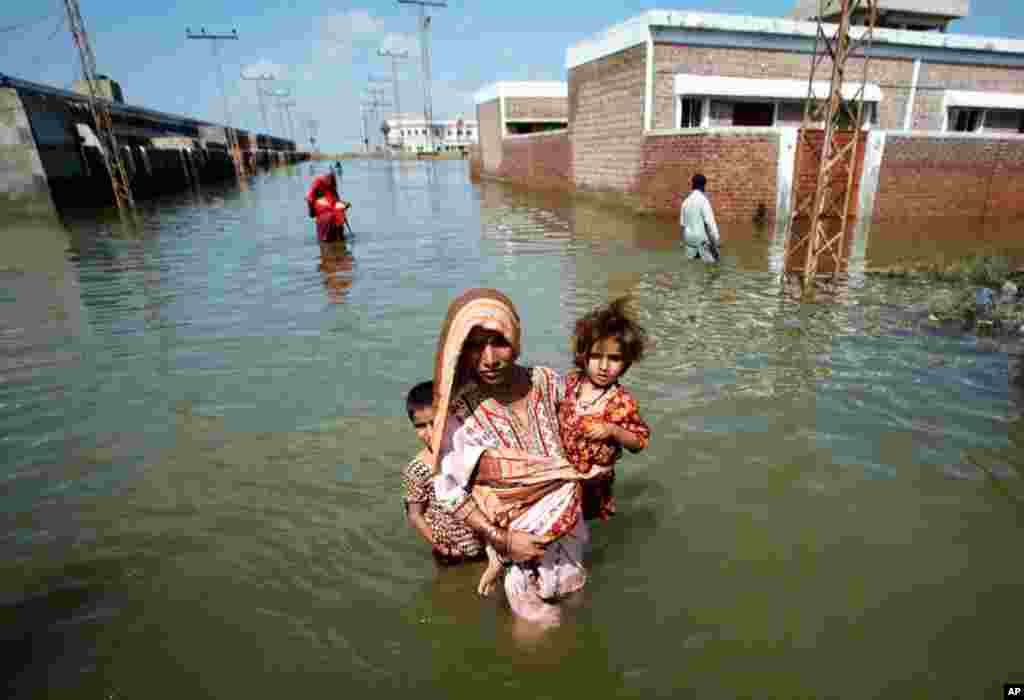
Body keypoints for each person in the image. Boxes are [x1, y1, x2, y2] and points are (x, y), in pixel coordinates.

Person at [430, 288, 612, 626]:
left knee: (576, 607)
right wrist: (503, 540)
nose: (489, 358)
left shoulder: (546, 382)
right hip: (515, 545)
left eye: (498, 341)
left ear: (516, 337)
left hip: (568, 529)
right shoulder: (458, 413)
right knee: (534, 629)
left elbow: (582, 438)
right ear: (458, 350)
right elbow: (449, 489)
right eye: (473, 345)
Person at [559, 298, 651, 521]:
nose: (603, 366)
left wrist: (614, 430)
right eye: (596, 356)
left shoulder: (621, 401)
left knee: (581, 524)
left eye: (614, 359)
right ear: (583, 355)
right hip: (562, 474)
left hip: (593, 482)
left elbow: (639, 442)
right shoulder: (571, 383)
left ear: (626, 362)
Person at [400, 380, 485, 564]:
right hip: (451, 551)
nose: (430, 432)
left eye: (435, 423)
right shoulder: (417, 470)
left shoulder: (468, 454)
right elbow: (415, 514)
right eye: (420, 426)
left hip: (485, 545)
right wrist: (438, 544)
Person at [680, 173, 721, 262]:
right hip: (701, 240)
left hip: (689, 240)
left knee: (692, 266)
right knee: (713, 265)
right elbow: (710, 222)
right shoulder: (703, 200)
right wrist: (716, 240)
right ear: (703, 186)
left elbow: (683, 225)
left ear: (693, 185)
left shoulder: (685, 202)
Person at [306, 171, 351, 243]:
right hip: (333, 220)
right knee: (339, 242)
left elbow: (310, 200)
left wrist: (312, 212)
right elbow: (337, 201)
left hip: (328, 220)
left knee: (326, 244)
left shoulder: (321, 186)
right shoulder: (323, 184)